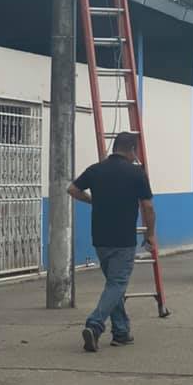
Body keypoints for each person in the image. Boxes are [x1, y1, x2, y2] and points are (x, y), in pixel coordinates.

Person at [68, 131, 156, 352]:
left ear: (114, 147)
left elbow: (72, 189)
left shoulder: (96, 170)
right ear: (132, 150)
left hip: (100, 238)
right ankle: (95, 324)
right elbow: (148, 207)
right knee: (117, 284)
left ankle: (121, 332)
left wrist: (92, 201)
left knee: (113, 286)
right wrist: (150, 234)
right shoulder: (136, 173)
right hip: (123, 239)